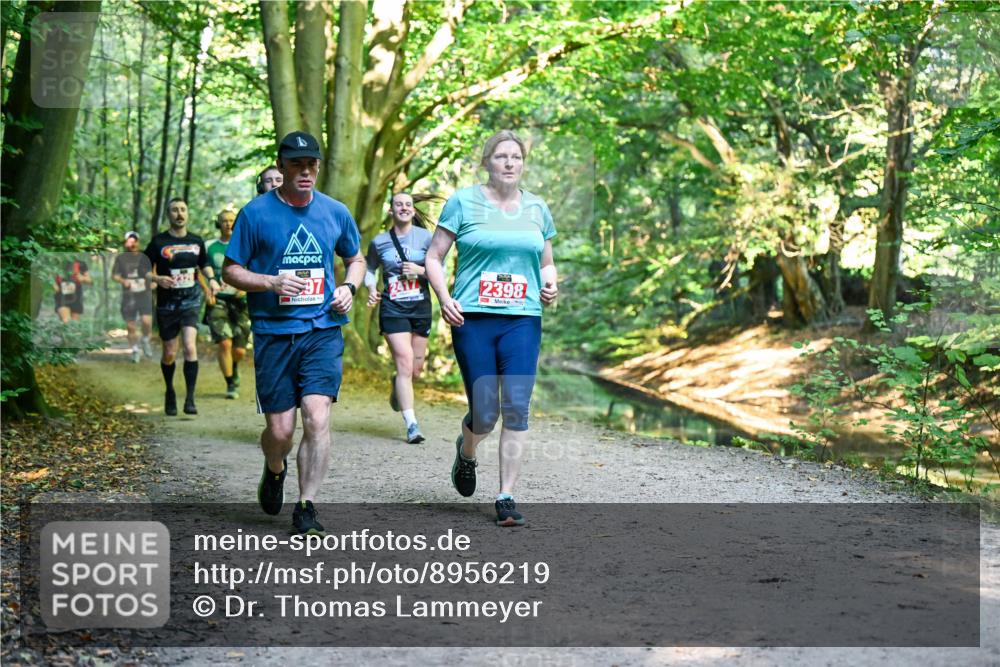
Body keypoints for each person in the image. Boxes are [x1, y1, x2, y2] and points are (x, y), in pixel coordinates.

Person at [223, 131, 365, 537]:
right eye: (297, 164)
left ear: (318, 167)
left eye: (312, 164)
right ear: (281, 166)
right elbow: (231, 270)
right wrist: (271, 282)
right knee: (281, 431)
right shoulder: (255, 213)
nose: (305, 171)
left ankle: (307, 506)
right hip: (273, 331)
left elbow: (355, 259)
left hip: (322, 329)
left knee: (317, 417)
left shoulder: (335, 212)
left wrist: (348, 288)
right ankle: (274, 468)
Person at [425, 130, 558, 527]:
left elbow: (546, 261)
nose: (509, 162)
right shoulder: (462, 202)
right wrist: (444, 298)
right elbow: (433, 257)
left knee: (516, 407)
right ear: (487, 162)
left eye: (516, 156)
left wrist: (551, 284)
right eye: (501, 156)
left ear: (523, 163)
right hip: (474, 318)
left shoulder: (537, 208)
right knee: (485, 413)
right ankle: (466, 452)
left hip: (522, 318)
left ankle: (506, 496)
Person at [364, 193, 434, 444]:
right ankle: (412, 424)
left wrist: (420, 270)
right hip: (393, 308)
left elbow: (439, 271)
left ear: (413, 210)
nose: (403, 208)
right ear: (391, 210)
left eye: (408, 204)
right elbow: (369, 269)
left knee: (414, 370)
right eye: (398, 204)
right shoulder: (379, 242)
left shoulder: (427, 238)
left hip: (421, 308)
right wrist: (371, 289)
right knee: (404, 361)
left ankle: (398, 384)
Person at [143, 197, 218, 416]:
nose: (179, 214)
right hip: (167, 302)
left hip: (191, 299)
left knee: (189, 345)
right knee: (169, 352)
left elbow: (204, 264)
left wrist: (212, 280)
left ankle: (190, 399)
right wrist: (157, 280)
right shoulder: (158, 242)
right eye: (175, 210)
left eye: (183, 210)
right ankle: (169, 391)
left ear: (187, 214)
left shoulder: (196, 240)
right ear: (169, 215)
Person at [206, 208, 251, 398]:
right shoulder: (209, 246)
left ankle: (233, 366)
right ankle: (230, 383)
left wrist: (246, 286)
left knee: (239, 350)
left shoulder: (247, 244)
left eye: (232, 220)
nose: (228, 223)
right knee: (224, 343)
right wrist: (208, 287)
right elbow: (201, 268)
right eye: (224, 220)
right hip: (219, 301)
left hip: (241, 302)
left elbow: (256, 267)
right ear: (218, 223)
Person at [112, 231, 153, 363]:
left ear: (138, 242)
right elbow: (115, 275)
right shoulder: (121, 258)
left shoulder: (145, 256)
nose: (132, 243)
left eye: (134, 240)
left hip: (144, 293)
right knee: (130, 325)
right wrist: (123, 281)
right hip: (129, 295)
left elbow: (155, 270)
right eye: (129, 241)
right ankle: (135, 350)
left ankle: (145, 340)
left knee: (147, 321)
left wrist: (154, 282)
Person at [53, 257, 92, 323]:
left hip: (76, 295)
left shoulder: (81, 263)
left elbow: (89, 280)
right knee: (66, 321)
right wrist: (54, 285)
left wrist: (82, 278)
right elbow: (49, 276)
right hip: (62, 295)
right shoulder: (58, 261)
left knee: (74, 324)